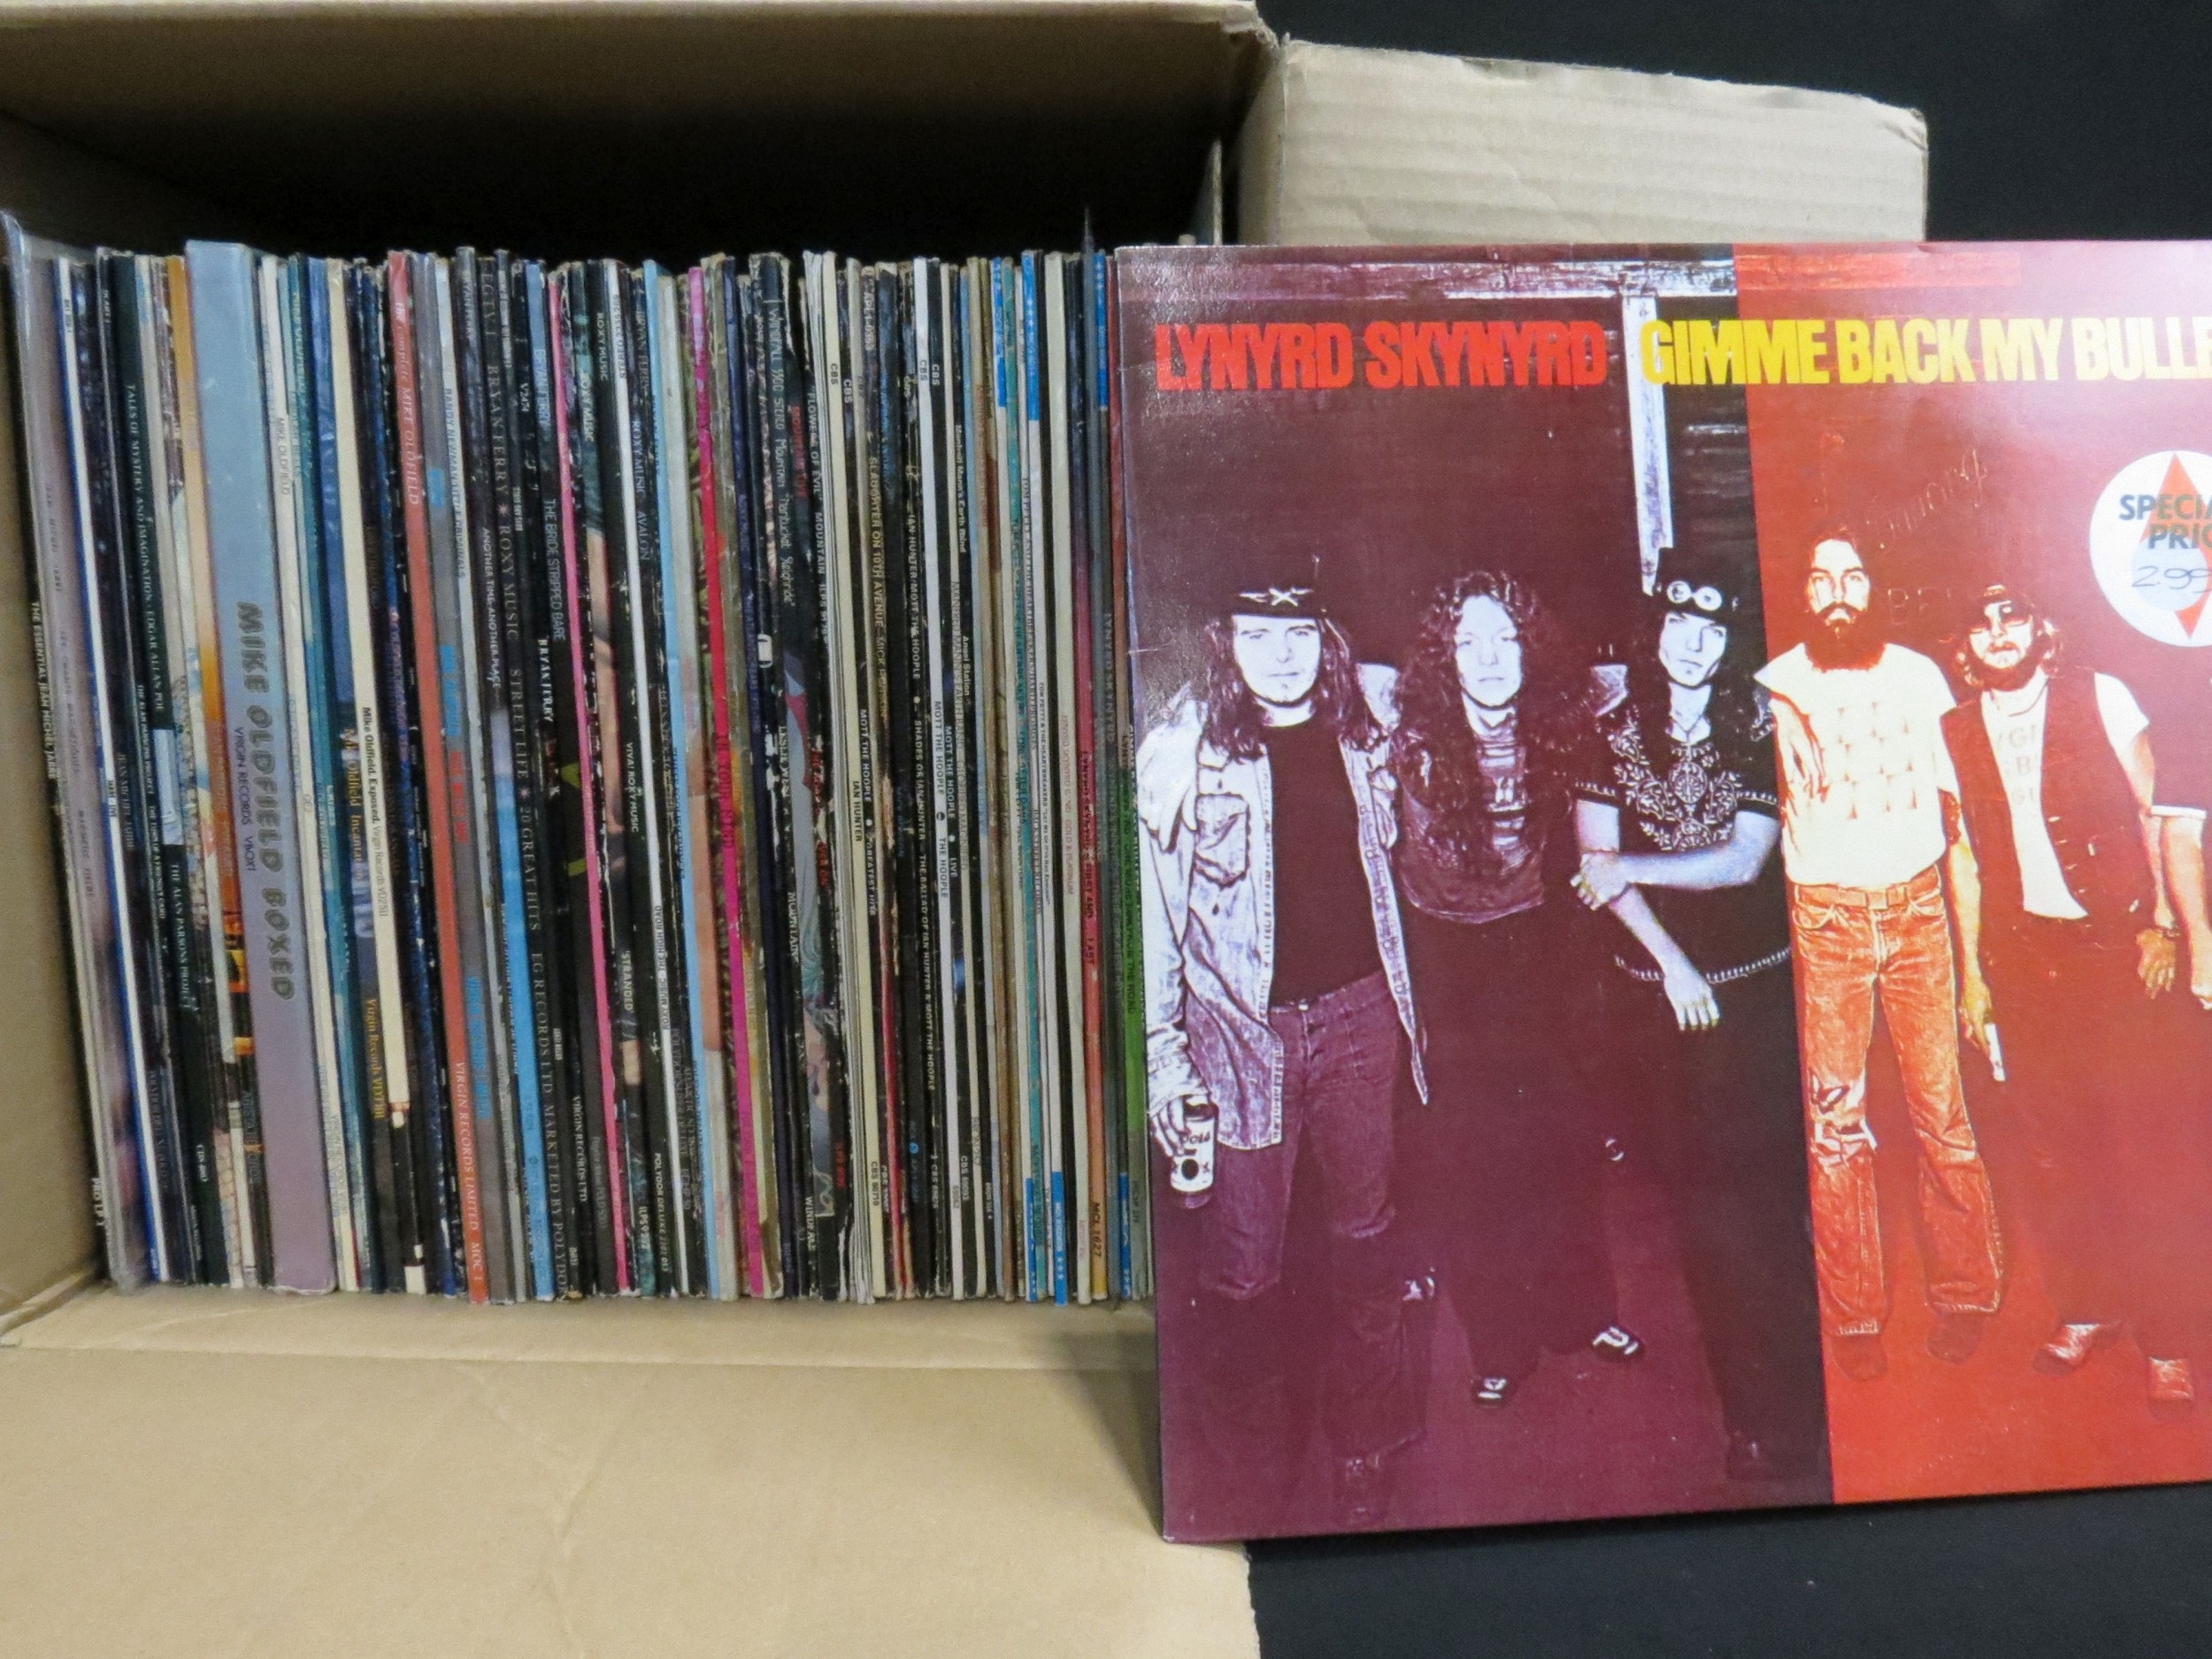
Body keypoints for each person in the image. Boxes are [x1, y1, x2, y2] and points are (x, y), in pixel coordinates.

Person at [1137, 551, 1424, 1526]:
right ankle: (1249, 1471)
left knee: (1367, 1244)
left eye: (1299, 633)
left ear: (1326, 640)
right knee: (1244, 1271)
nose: (1282, 655)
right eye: (1256, 635)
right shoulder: (1182, 751)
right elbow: (1155, 921)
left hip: (1360, 1024)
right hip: (1238, 1042)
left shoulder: (1366, 725)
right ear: (1223, 642)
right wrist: (1164, 1063)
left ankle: (1367, 1443)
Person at [1571, 547, 1829, 1484]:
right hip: (1661, 1009)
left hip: (1755, 999)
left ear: (1732, 643)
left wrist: (1627, 866)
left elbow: (1740, 861)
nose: (1693, 643)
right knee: (1705, 1220)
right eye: (1679, 623)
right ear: (1654, 630)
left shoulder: (1760, 725)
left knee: (1773, 1206)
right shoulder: (1606, 730)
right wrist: (1675, 964)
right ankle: (1750, 1420)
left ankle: (1809, 1406)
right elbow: (1592, 868)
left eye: (1713, 630)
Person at [1941, 583, 2212, 1417]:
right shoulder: (1953, 730)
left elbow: (2157, 813)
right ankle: (2087, 1307)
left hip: (2120, 954)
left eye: (2013, 616)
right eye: (1982, 622)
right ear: (1965, 646)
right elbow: (1964, 856)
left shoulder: (2102, 694)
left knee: (2144, 1149)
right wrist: (1972, 975)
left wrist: (2164, 925)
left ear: (2039, 629)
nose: (1998, 632)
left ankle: (2168, 1339)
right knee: (2056, 1150)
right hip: (2024, 965)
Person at [1386, 569, 1640, 1413]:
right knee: (1469, 1152)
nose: (1490, 658)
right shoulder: (1405, 730)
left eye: (1506, 639)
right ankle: (1497, 1342)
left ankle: (1582, 1314)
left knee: (1557, 1138)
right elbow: (1343, 678)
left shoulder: (1557, 726)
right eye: (1469, 642)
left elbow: (1624, 677)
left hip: (1533, 946)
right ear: (1444, 656)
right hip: (1443, 955)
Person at [1756, 532, 2004, 1381]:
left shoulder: (1920, 676)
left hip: (1918, 912)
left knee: (1943, 1113)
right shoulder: (1772, 685)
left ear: (1874, 588)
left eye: (1854, 576)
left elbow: (1959, 819)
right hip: (1827, 922)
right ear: (1802, 591)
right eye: (1821, 577)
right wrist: (1769, 712)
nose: (1838, 592)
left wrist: (1975, 961)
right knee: (1835, 1126)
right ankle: (1855, 1311)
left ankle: (1966, 1293)